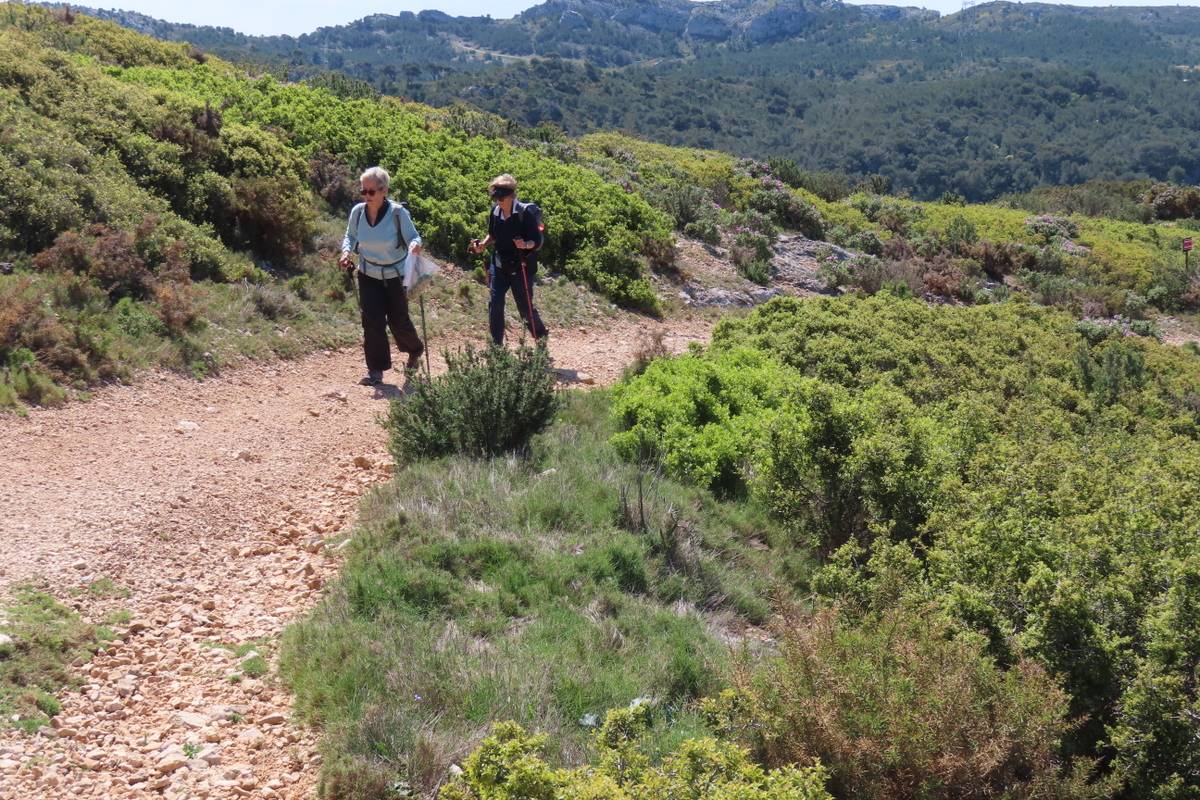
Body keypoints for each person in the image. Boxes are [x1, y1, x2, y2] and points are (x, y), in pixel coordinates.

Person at [339, 166, 424, 386]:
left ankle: (415, 351)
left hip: (396, 276)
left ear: (384, 190)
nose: (366, 196)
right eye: (363, 191)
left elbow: (414, 236)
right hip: (368, 274)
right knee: (372, 322)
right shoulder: (358, 212)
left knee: (398, 321)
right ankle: (375, 371)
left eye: (371, 191)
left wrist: (415, 245)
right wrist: (346, 252)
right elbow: (350, 236)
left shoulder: (397, 213)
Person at [466, 174, 549, 345]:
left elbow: (536, 240)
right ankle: (496, 347)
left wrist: (525, 244)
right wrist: (483, 244)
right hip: (499, 264)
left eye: (501, 198)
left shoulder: (524, 214)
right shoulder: (495, 212)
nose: (498, 202)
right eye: (496, 198)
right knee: (495, 304)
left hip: (521, 267)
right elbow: (493, 234)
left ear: (511, 196)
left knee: (525, 308)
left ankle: (540, 337)